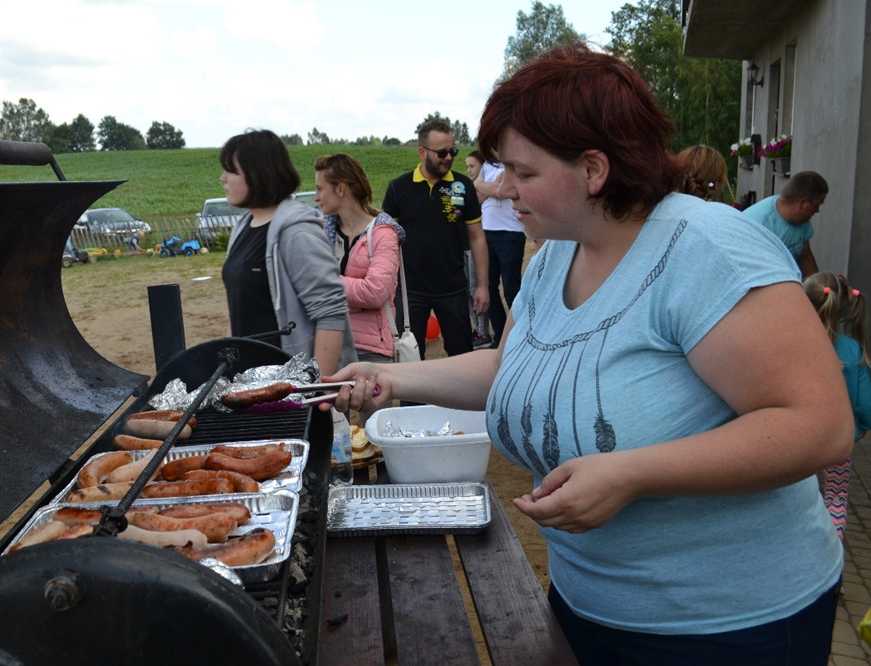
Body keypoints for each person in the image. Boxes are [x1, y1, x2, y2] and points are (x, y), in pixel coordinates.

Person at [324, 42, 851, 664]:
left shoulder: (708, 250)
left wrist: (632, 474)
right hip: (589, 605)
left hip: (728, 628)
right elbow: (511, 364)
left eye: (523, 173)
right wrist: (397, 381)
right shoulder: (556, 254)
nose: (502, 189)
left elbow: (819, 427)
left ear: (594, 170)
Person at [219, 129, 357, 374]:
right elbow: (239, 308)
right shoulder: (242, 228)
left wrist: (316, 391)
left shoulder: (297, 231)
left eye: (231, 170)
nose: (223, 178)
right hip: (247, 380)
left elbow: (330, 313)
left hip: (289, 388)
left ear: (257, 174)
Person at [381, 119, 488, 358]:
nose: (449, 158)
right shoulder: (399, 188)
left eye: (452, 151)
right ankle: (414, 398)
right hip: (410, 292)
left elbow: (477, 237)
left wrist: (482, 285)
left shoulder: (463, 186)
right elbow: (386, 242)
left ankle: (461, 397)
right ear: (422, 152)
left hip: (453, 289)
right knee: (410, 358)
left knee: (462, 356)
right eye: (442, 153)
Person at [316, 153, 405, 364]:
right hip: (327, 343)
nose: (316, 197)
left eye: (320, 189)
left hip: (370, 352)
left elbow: (375, 292)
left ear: (340, 188)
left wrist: (325, 283)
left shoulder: (383, 233)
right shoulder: (322, 232)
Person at [803, 271, 871, 540]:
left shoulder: (795, 344)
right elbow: (863, 400)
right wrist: (862, 424)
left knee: (796, 491)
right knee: (836, 497)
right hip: (838, 436)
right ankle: (831, 554)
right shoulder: (851, 349)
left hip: (800, 434)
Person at [469, 149, 527, 348]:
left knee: (511, 289)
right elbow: (475, 196)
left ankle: (520, 336)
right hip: (486, 232)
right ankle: (501, 337)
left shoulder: (512, 163)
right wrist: (487, 187)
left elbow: (502, 190)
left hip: (510, 233)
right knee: (489, 289)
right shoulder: (488, 165)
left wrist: (483, 186)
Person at [743, 170, 828, 277]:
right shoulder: (758, 224)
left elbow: (805, 256)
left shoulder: (802, 220)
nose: (817, 210)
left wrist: (818, 287)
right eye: (816, 205)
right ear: (803, 202)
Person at [464, 151, 492, 347]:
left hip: (477, 246)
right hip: (463, 246)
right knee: (467, 289)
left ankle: (483, 332)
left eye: (472, 166)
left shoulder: (480, 189)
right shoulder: (469, 188)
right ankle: (476, 330)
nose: (469, 170)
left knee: (477, 289)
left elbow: (472, 204)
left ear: (483, 166)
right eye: (467, 167)